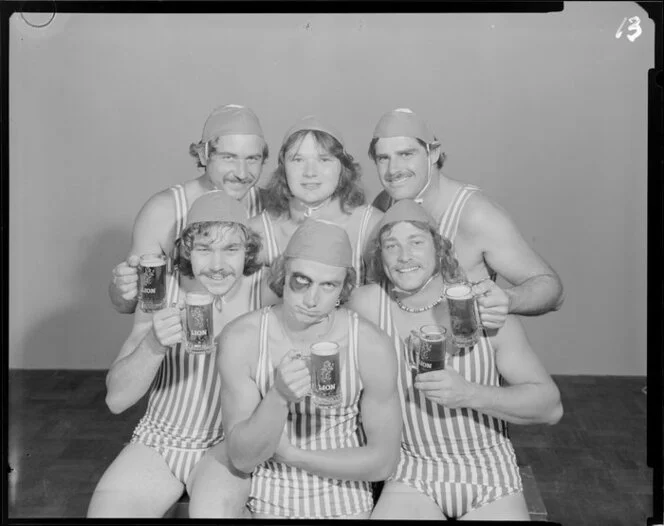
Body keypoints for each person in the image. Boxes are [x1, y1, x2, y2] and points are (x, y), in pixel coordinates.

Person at [348, 199, 563, 521]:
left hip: (490, 473)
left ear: (440, 249)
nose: (404, 256)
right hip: (411, 471)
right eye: (391, 245)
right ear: (380, 256)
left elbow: (550, 407)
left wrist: (469, 393)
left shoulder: (480, 306)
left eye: (416, 242)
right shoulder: (366, 306)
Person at [88, 191, 277, 518]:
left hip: (227, 448)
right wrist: (154, 344)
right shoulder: (162, 290)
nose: (217, 266)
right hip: (160, 441)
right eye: (204, 249)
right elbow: (116, 400)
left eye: (230, 249)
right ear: (187, 250)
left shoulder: (267, 291)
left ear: (248, 249)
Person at [218, 219, 402, 519]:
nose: (312, 300)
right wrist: (278, 397)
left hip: (347, 500)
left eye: (328, 285)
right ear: (282, 274)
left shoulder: (370, 344)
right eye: (301, 281)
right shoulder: (243, 338)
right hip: (265, 498)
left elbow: (383, 462)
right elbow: (241, 457)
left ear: (344, 288)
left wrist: (293, 455)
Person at [368, 108, 564, 328]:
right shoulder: (385, 204)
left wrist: (509, 300)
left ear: (432, 154)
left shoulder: (475, 215)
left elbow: (551, 288)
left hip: (465, 353)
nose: (393, 169)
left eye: (406, 154)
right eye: (383, 158)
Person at [109, 104, 270, 314]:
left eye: (252, 159)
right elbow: (125, 306)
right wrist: (123, 288)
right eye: (228, 157)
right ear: (204, 155)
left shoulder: (271, 209)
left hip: (252, 344)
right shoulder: (164, 211)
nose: (241, 173)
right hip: (177, 342)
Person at [249, 115, 382, 286]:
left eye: (324, 159)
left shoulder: (373, 226)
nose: (310, 172)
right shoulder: (258, 231)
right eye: (298, 160)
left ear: (342, 168)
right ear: (283, 168)